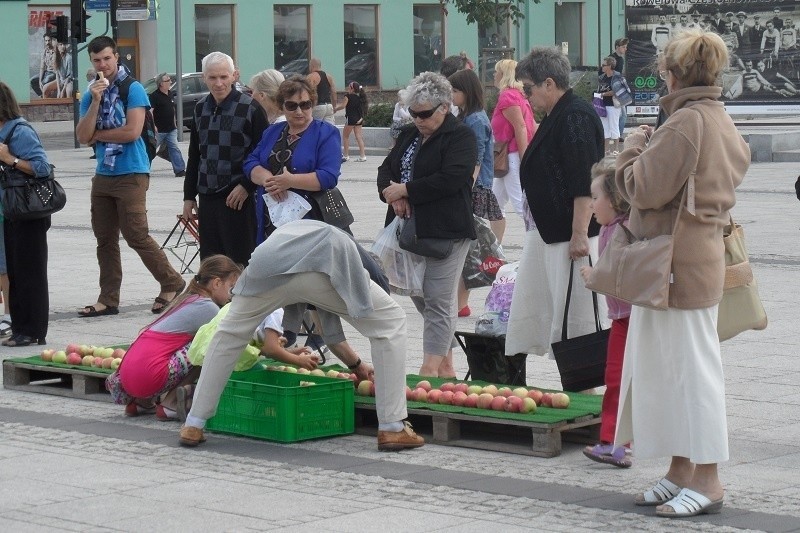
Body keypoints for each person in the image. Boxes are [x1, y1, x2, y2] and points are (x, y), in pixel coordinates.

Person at [614, 29, 750, 518]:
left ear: (672, 74)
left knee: (692, 375)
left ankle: (708, 480)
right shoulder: (715, 116)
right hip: (690, 260)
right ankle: (680, 470)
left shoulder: (684, 122)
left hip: (674, 266)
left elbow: (641, 188)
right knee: (672, 371)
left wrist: (632, 149)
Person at [178, 221, 425, 452]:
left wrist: (356, 365)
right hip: (316, 266)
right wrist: (357, 364)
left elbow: (325, 314)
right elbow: (333, 302)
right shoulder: (349, 254)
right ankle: (392, 427)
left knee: (228, 336)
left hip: (265, 265)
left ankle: (194, 423)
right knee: (391, 321)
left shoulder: (304, 234)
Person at [504, 47, 605, 359]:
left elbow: (583, 180)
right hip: (551, 232)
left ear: (549, 83)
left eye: (528, 89)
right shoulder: (557, 113)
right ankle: (577, 384)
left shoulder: (574, 117)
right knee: (558, 316)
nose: (526, 97)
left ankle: (584, 391)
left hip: (570, 236)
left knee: (577, 323)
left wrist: (578, 234)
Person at [76, 36, 185, 317]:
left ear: (117, 57)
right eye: (97, 60)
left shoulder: (133, 89)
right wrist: (96, 101)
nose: (103, 65)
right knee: (105, 240)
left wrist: (97, 135)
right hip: (103, 174)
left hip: (132, 172)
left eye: (107, 59)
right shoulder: (90, 94)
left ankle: (172, 282)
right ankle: (108, 299)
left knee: (136, 235)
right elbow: (81, 136)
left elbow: (131, 132)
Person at [377, 71, 476, 377]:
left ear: (445, 107)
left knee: (437, 298)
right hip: (408, 229)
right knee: (419, 296)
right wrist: (392, 195)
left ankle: (428, 370)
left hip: (446, 230)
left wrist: (407, 190)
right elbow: (385, 169)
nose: (418, 119)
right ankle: (446, 367)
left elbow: (453, 177)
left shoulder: (461, 136)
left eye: (425, 113)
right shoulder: (408, 135)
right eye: (413, 113)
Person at [106, 255, 242, 421]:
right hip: (150, 376)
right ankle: (170, 404)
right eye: (231, 288)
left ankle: (142, 402)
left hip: (128, 377)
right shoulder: (208, 308)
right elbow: (231, 335)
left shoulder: (187, 299)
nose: (233, 295)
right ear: (217, 283)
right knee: (208, 345)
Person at [183, 51, 269, 266]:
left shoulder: (251, 108)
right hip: (208, 196)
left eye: (223, 77)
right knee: (212, 263)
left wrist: (246, 186)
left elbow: (264, 153)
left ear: (235, 76)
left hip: (238, 196)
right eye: (212, 77)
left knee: (240, 261)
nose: (218, 83)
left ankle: (241, 300)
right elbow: (195, 153)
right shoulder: (200, 108)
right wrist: (188, 196)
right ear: (204, 78)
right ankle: (216, 300)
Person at [243, 76, 341, 245]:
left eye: (305, 104)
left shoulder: (326, 133)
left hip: (308, 220)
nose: (299, 111)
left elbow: (329, 177)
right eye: (291, 105)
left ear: (312, 104)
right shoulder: (272, 132)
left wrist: (290, 181)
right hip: (269, 219)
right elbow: (250, 162)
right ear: (282, 106)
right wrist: (269, 180)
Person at [579, 157, 631, 469]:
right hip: (622, 317)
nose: (592, 205)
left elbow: (616, 272)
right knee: (617, 378)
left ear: (613, 199)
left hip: (629, 317)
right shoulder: (613, 228)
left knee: (618, 378)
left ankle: (616, 443)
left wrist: (592, 276)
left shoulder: (621, 229)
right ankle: (614, 441)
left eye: (595, 198)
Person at [0, 82, 52, 347]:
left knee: (30, 272)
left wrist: (11, 159)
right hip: (12, 212)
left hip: (29, 212)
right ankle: (20, 329)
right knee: (17, 272)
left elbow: (43, 168)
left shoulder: (19, 132)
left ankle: (33, 330)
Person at [447, 68, 500, 318]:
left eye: (455, 90)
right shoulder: (468, 116)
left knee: (467, 248)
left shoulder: (476, 120)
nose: (452, 95)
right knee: (464, 246)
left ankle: (461, 303)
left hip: (475, 188)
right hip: (473, 186)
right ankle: (459, 302)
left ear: (466, 92)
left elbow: (476, 159)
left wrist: (465, 188)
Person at [490, 59, 537, 243]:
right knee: (495, 202)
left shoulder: (507, 96)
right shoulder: (519, 95)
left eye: (496, 72)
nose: (494, 75)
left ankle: (537, 241)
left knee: (520, 204)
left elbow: (520, 127)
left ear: (504, 74)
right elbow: (529, 125)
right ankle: (496, 247)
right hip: (510, 155)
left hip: (510, 155)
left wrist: (524, 157)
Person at [149, 73, 187, 177]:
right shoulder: (154, 96)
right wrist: (153, 126)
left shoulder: (170, 93)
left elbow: (172, 110)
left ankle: (180, 170)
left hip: (171, 129)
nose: (170, 82)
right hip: (159, 130)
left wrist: (174, 123)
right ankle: (143, 169)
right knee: (151, 149)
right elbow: (150, 112)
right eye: (168, 80)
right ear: (161, 83)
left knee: (174, 148)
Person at [336, 81, 368, 162]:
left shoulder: (347, 96)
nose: (347, 88)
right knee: (359, 137)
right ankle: (363, 156)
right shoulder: (360, 97)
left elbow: (343, 106)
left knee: (345, 136)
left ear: (352, 88)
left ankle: (346, 155)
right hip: (359, 119)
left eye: (349, 87)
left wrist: (335, 109)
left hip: (350, 119)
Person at [597, 57, 623, 152]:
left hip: (613, 105)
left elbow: (617, 91)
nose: (602, 67)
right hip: (603, 105)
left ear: (610, 66)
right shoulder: (602, 77)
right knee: (605, 127)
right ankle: (606, 149)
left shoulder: (617, 76)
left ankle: (615, 149)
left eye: (604, 65)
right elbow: (599, 90)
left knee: (614, 126)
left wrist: (603, 94)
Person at [306, 58, 337, 125]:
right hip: (329, 106)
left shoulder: (311, 77)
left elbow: (309, 92)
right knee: (329, 129)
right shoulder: (329, 77)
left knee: (314, 128)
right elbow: (334, 92)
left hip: (318, 106)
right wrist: (334, 106)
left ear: (312, 66)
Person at [611, 38, 629, 137]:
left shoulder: (621, 60)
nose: (625, 49)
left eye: (626, 47)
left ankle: (618, 135)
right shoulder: (612, 59)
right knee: (620, 115)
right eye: (623, 47)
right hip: (614, 91)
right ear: (617, 47)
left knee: (622, 115)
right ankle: (617, 135)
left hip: (619, 90)